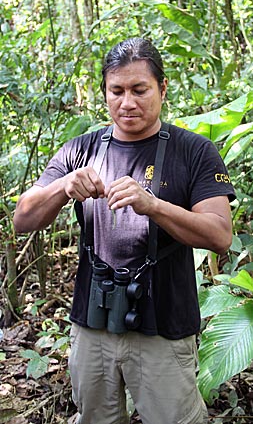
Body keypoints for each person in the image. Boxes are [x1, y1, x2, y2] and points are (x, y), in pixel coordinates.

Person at [14, 37, 235, 424]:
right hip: (93, 321)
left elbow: (220, 235)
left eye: (139, 90)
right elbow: (23, 219)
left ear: (162, 89)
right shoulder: (80, 150)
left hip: (164, 324)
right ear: (104, 94)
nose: (127, 102)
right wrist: (62, 187)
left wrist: (153, 205)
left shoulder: (195, 152)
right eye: (116, 91)